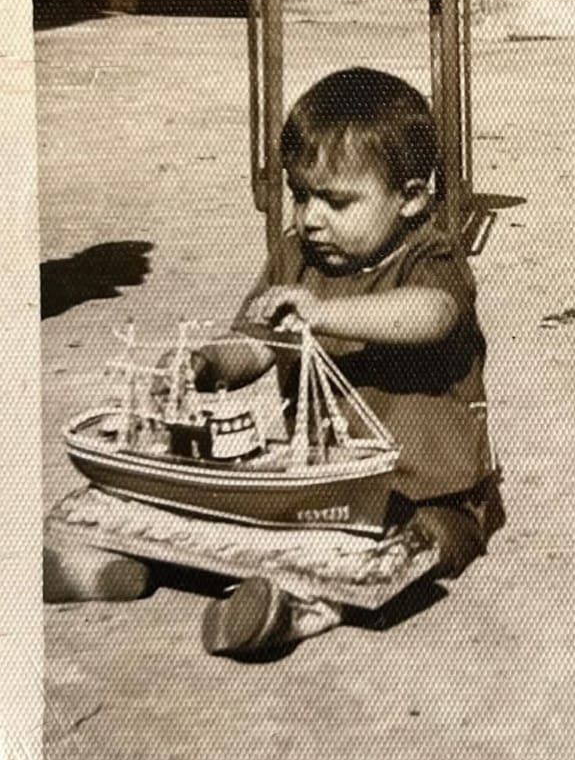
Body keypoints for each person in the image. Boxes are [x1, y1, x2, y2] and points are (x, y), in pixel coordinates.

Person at [46, 68, 504, 659]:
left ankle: (296, 613)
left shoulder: (429, 257)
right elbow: (258, 344)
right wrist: (207, 365)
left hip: (429, 491)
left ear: (411, 198)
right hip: (319, 487)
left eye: (338, 201)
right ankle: (119, 568)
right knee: (233, 526)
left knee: (412, 548)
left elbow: (432, 316)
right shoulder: (296, 257)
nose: (311, 218)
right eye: (301, 194)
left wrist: (322, 314)